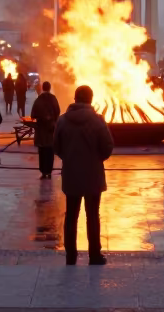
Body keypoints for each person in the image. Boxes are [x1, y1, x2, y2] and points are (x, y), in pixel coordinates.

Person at [53, 85, 114, 266]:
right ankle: (94, 255)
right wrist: (96, 159)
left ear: (75, 98)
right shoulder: (98, 120)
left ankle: (70, 256)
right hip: (93, 175)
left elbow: (56, 146)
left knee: (71, 215)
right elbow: (108, 146)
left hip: (71, 174)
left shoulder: (63, 120)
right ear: (91, 99)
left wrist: (69, 158)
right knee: (93, 215)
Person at [30, 80, 61, 179]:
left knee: (42, 151)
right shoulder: (53, 99)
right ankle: (49, 171)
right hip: (51, 129)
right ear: (50, 88)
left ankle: (43, 171)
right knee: (50, 151)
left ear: (42, 88)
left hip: (41, 129)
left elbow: (33, 114)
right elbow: (58, 111)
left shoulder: (39, 99)